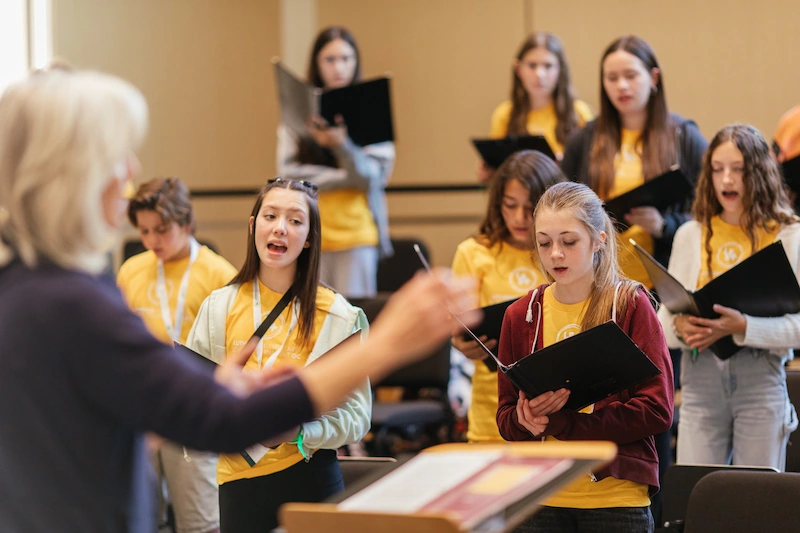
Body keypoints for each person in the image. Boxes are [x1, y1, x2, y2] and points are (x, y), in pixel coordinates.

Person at [0, 68, 478, 533]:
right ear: (70, 175)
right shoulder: (72, 303)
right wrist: (389, 341)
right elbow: (227, 424)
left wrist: (213, 390)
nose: (132, 172)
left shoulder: (25, 287)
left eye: (295, 220)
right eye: (117, 156)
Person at [185, 178, 371, 532]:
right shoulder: (219, 306)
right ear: (254, 226)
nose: (281, 228)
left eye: (295, 221)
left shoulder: (338, 315)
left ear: (310, 238)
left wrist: (300, 430)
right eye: (270, 216)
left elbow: (358, 416)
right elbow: (194, 396)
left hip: (311, 478)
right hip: (237, 481)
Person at [496, 182, 673, 533]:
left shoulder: (629, 305)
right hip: (540, 495)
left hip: (615, 500)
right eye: (544, 243)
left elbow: (657, 409)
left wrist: (565, 424)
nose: (555, 254)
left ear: (599, 239)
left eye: (569, 241)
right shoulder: (520, 315)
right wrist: (526, 420)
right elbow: (505, 419)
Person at [658, 123, 800, 471]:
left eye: (738, 170)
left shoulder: (789, 233)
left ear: (760, 172)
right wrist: (680, 325)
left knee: (758, 503)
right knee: (697, 497)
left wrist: (743, 327)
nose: (726, 181)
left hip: (761, 378)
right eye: (718, 170)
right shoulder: (692, 234)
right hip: (700, 378)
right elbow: (663, 323)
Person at [117, 177, 237, 533]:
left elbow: (231, 351)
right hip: (141, 409)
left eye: (162, 229)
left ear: (186, 222)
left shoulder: (219, 274)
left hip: (193, 409)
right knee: (138, 517)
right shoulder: (131, 271)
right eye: (144, 231)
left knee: (199, 521)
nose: (153, 240)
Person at [561, 35, 707, 288]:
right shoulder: (584, 140)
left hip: (661, 282)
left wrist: (664, 224)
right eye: (612, 78)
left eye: (631, 76)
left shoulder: (683, 136)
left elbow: (709, 212)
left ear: (654, 78)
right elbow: (560, 208)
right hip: (598, 280)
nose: (622, 86)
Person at [451, 150, 564, 443]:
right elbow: (460, 327)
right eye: (509, 205)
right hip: (493, 408)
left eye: (530, 208)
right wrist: (461, 343)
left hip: (557, 405)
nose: (519, 218)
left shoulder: (560, 253)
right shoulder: (473, 253)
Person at [277, 26, 394, 298]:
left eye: (346, 58)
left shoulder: (373, 110)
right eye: (330, 59)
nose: (339, 67)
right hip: (309, 234)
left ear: (356, 61)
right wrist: (345, 177)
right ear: (317, 64)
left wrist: (341, 146)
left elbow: (372, 178)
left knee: (354, 324)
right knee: (314, 323)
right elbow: (288, 174)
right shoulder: (297, 113)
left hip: (357, 234)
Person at [477, 32, 593, 183]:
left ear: (560, 70)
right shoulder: (504, 114)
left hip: (565, 200)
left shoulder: (579, 113)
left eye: (548, 66)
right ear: (519, 69)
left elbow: (592, 170)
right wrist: (488, 172)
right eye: (532, 66)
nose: (539, 74)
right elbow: (498, 175)